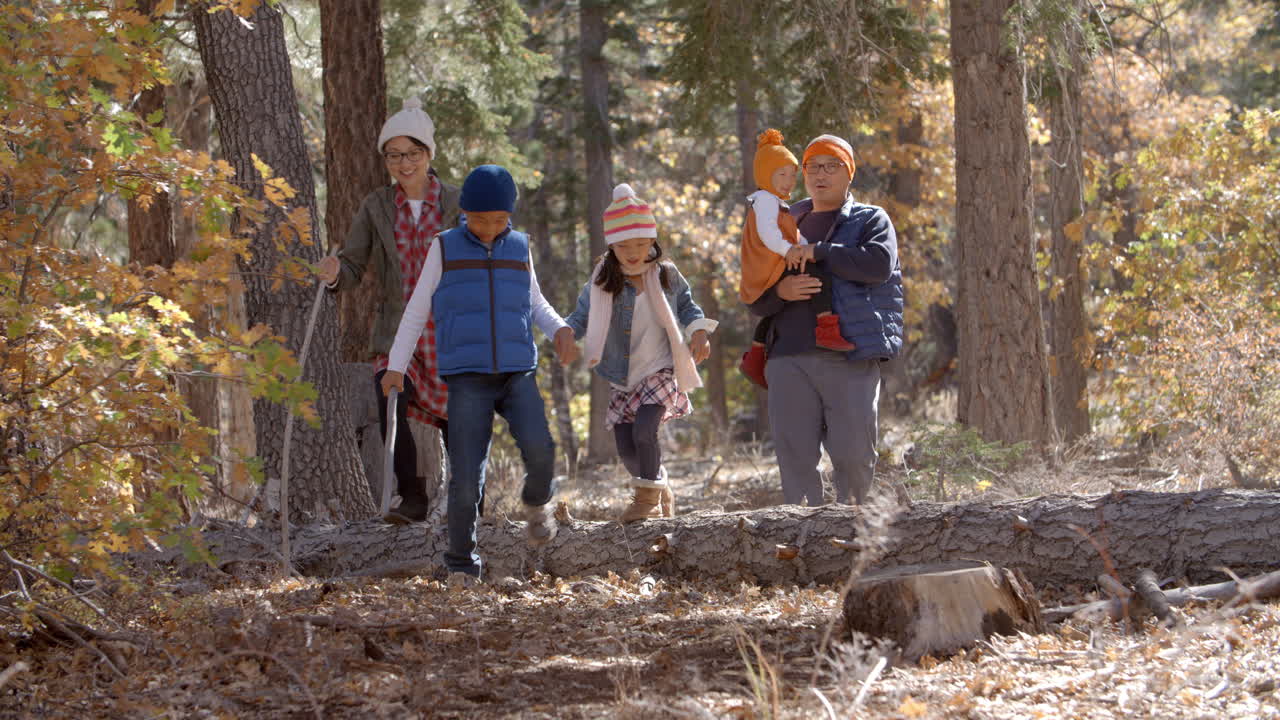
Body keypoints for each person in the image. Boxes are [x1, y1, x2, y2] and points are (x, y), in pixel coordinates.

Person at [381, 164, 578, 582]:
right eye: (481, 219)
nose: (490, 228)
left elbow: (536, 302)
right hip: (467, 376)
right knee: (467, 475)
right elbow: (417, 309)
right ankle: (461, 563)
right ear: (464, 213)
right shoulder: (445, 248)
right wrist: (397, 365)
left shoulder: (520, 246)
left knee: (541, 448)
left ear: (510, 217)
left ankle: (538, 502)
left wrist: (559, 328)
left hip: (516, 371)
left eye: (500, 220)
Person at [317, 96, 457, 524]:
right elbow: (355, 262)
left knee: (458, 417)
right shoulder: (377, 206)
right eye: (394, 155)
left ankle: (468, 499)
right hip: (397, 327)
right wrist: (337, 269)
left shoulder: (456, 201)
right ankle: (412, 498)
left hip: (448, 327)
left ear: (429, 154)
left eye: (413, 154)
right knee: (391, 398)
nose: (404, 163)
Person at [746, 134, 903, 506]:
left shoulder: (870, 219)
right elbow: (753, 282)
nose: (821, 174)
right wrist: (778, 294)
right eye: (812, 166)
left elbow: (878, 265)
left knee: (853, 455)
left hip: (848, 355)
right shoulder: (782, 218)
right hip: (786, 356)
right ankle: (804, 546)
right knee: (795, 458)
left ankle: (854, 535)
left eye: (831, 166)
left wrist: (820, 250)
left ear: (849, 174)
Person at [563, 184, 716, 523]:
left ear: (652, 241)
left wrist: (700, 331)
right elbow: (581, 316)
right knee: (627, 449)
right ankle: (658, 484)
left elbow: (688, 307)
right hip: (622, 375)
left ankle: (644, 501)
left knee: (645, 431)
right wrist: (565, 333)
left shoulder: (666, 274)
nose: (633, 253)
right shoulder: (602, 280)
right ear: (611, 245)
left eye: (641, 244)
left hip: (660, 368)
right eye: (624, 246)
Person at [739, 129, 852, 388]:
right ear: (765, 175)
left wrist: (802, 246)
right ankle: (826, 325)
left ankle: (755, 356)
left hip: (775, 263)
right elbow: (769, 232)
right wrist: (791, 251)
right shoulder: (766, 200)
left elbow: (794, 234)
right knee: (817, 276)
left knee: (777, 307)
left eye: (792, 175)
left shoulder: (776, 203)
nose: (788, 181)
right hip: (771, 263)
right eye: (782, 175)